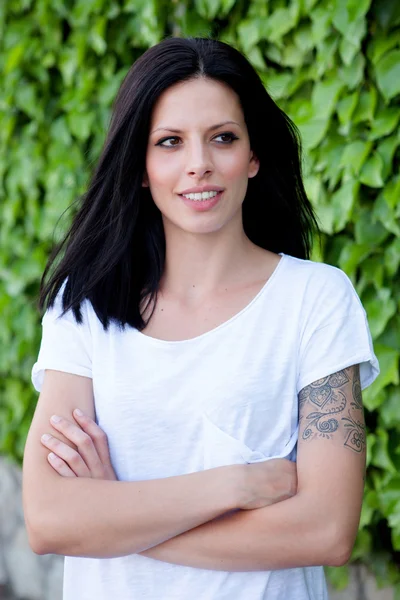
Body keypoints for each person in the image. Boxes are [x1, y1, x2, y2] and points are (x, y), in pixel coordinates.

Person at [23, 37, 379, 600]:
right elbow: (48, 520)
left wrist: (114, 517)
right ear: (140, 166)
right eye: (169, 142)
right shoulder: (84, 308)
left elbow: (326, 529)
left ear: (253, 155)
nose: (199, 165)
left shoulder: (315, 300)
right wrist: (231, 485)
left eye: (223, 138)